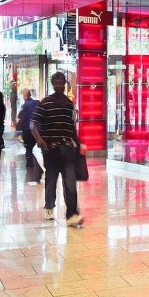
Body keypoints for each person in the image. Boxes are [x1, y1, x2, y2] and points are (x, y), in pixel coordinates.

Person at [32, 72, 86, 226]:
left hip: (67, 149)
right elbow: (33, 124)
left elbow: (71, 127)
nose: (59, 86)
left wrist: (78, 144)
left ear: (65, 84)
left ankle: (72, 215)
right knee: (51, 179)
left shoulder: (69, 104)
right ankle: (49, 206)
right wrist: (39, 139)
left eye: (61, 83)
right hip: (51, 149)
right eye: (56, 83)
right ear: (52, 84)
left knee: (70, 182)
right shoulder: (45, 103)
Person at [16, 89, 43, 185]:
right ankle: (36, 169)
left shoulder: (25, 106)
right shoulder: (36, 103)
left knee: (29, 149)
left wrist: (19, 125)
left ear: (24, 96)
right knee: (35, 149)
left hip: (27, 130)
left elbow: (21, 116)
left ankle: (30, 169)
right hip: (36, 130)